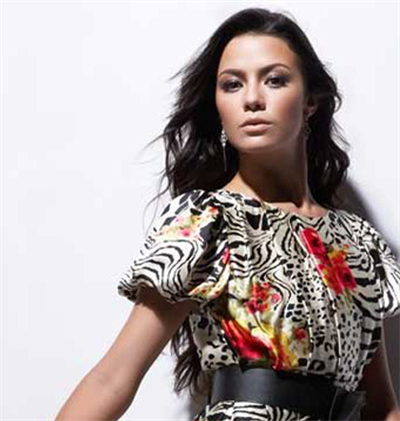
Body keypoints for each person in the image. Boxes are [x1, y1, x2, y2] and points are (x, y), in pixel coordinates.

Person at [54, 7, 400, 421]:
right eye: (232, 84)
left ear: (310, 101)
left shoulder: (357, 241)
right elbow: (112, 379)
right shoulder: (207, 223)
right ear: (218, 106)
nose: (252, 99)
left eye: (274, 80)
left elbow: (383, 408)